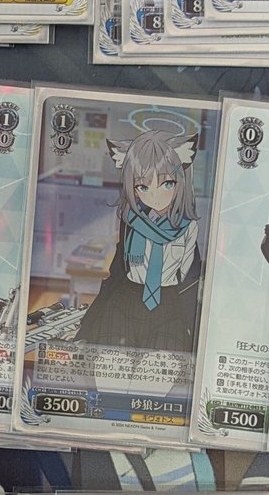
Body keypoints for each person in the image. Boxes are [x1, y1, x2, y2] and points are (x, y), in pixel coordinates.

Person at [74, 118, 205, 351]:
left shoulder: (187, 227)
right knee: (111, 364)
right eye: (143, 187)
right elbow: (116, 275)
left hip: (167, 305)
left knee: (160, 365)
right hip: (125, 301)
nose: (155, 196)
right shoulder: (131, 223)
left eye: (167, 184)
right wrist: (86, 328)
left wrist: (196, 336)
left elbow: (189, 281)